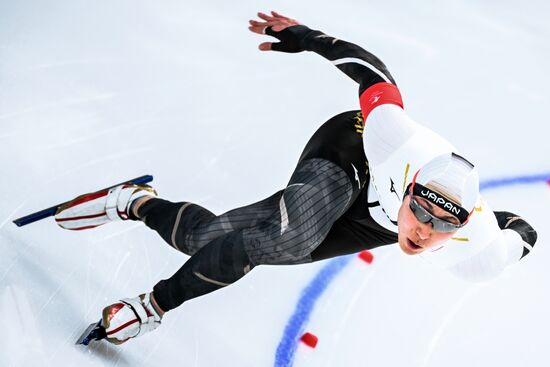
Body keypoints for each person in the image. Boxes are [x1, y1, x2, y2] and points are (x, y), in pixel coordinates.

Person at [54, 11, 538, 345]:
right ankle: (154, 306)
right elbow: (375, 75)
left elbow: (522, 231)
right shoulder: (399, 140)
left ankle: (134, 202)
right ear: (410, 187)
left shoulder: (477, 247)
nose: (423, 230)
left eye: (440, 227)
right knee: (286, 239)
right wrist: (306, 36)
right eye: (420, 212)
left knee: (204, 239)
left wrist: (512, 228)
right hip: (352, 152)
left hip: (369, 220)